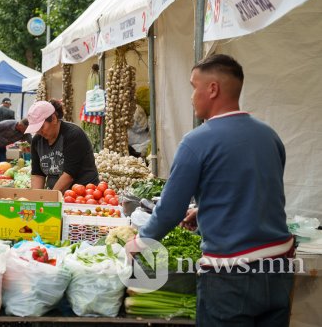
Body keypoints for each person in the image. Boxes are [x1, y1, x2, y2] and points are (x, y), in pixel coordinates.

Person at [127, 55, 294, 326]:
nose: (192, 96)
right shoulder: (270, 135)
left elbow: (170, 210)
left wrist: (141, 241)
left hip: (230, 276)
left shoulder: (196, 142)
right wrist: (203, 210)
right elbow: (258, 189)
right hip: (279, 271)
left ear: (213, 89)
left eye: (194, 87)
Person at [27, 99, 99, 191]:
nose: (39, 132)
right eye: (36, 128)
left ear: (53, 119)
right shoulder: (37, 140)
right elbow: (38, 174)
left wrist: (52, 199)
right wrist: (38, 198)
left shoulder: (73, 135)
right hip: (56, 194)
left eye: (41, 127)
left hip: (82, 195)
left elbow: (69, 175)